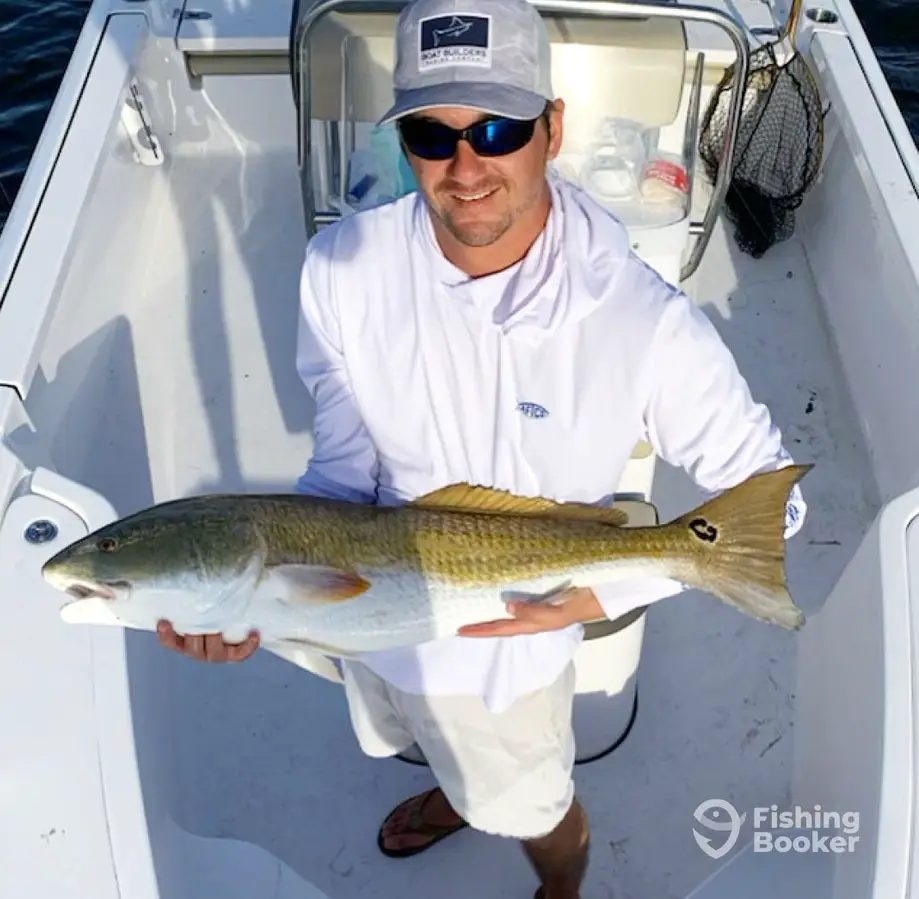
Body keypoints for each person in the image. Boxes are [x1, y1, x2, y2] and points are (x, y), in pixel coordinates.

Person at [157, 0, 808, 896]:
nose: (467, 168)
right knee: (411, 731)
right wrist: (245, 605)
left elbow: (777, 503)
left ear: (553, 129)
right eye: (432, 133)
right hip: (370, 617)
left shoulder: (643, 323)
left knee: (531, 806)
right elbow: (342, 472)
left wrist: (598, 587)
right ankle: (456, 788)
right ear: (406, 143)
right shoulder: (342, 269)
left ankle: (561, 877)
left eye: (498, 129)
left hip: (510, 641)